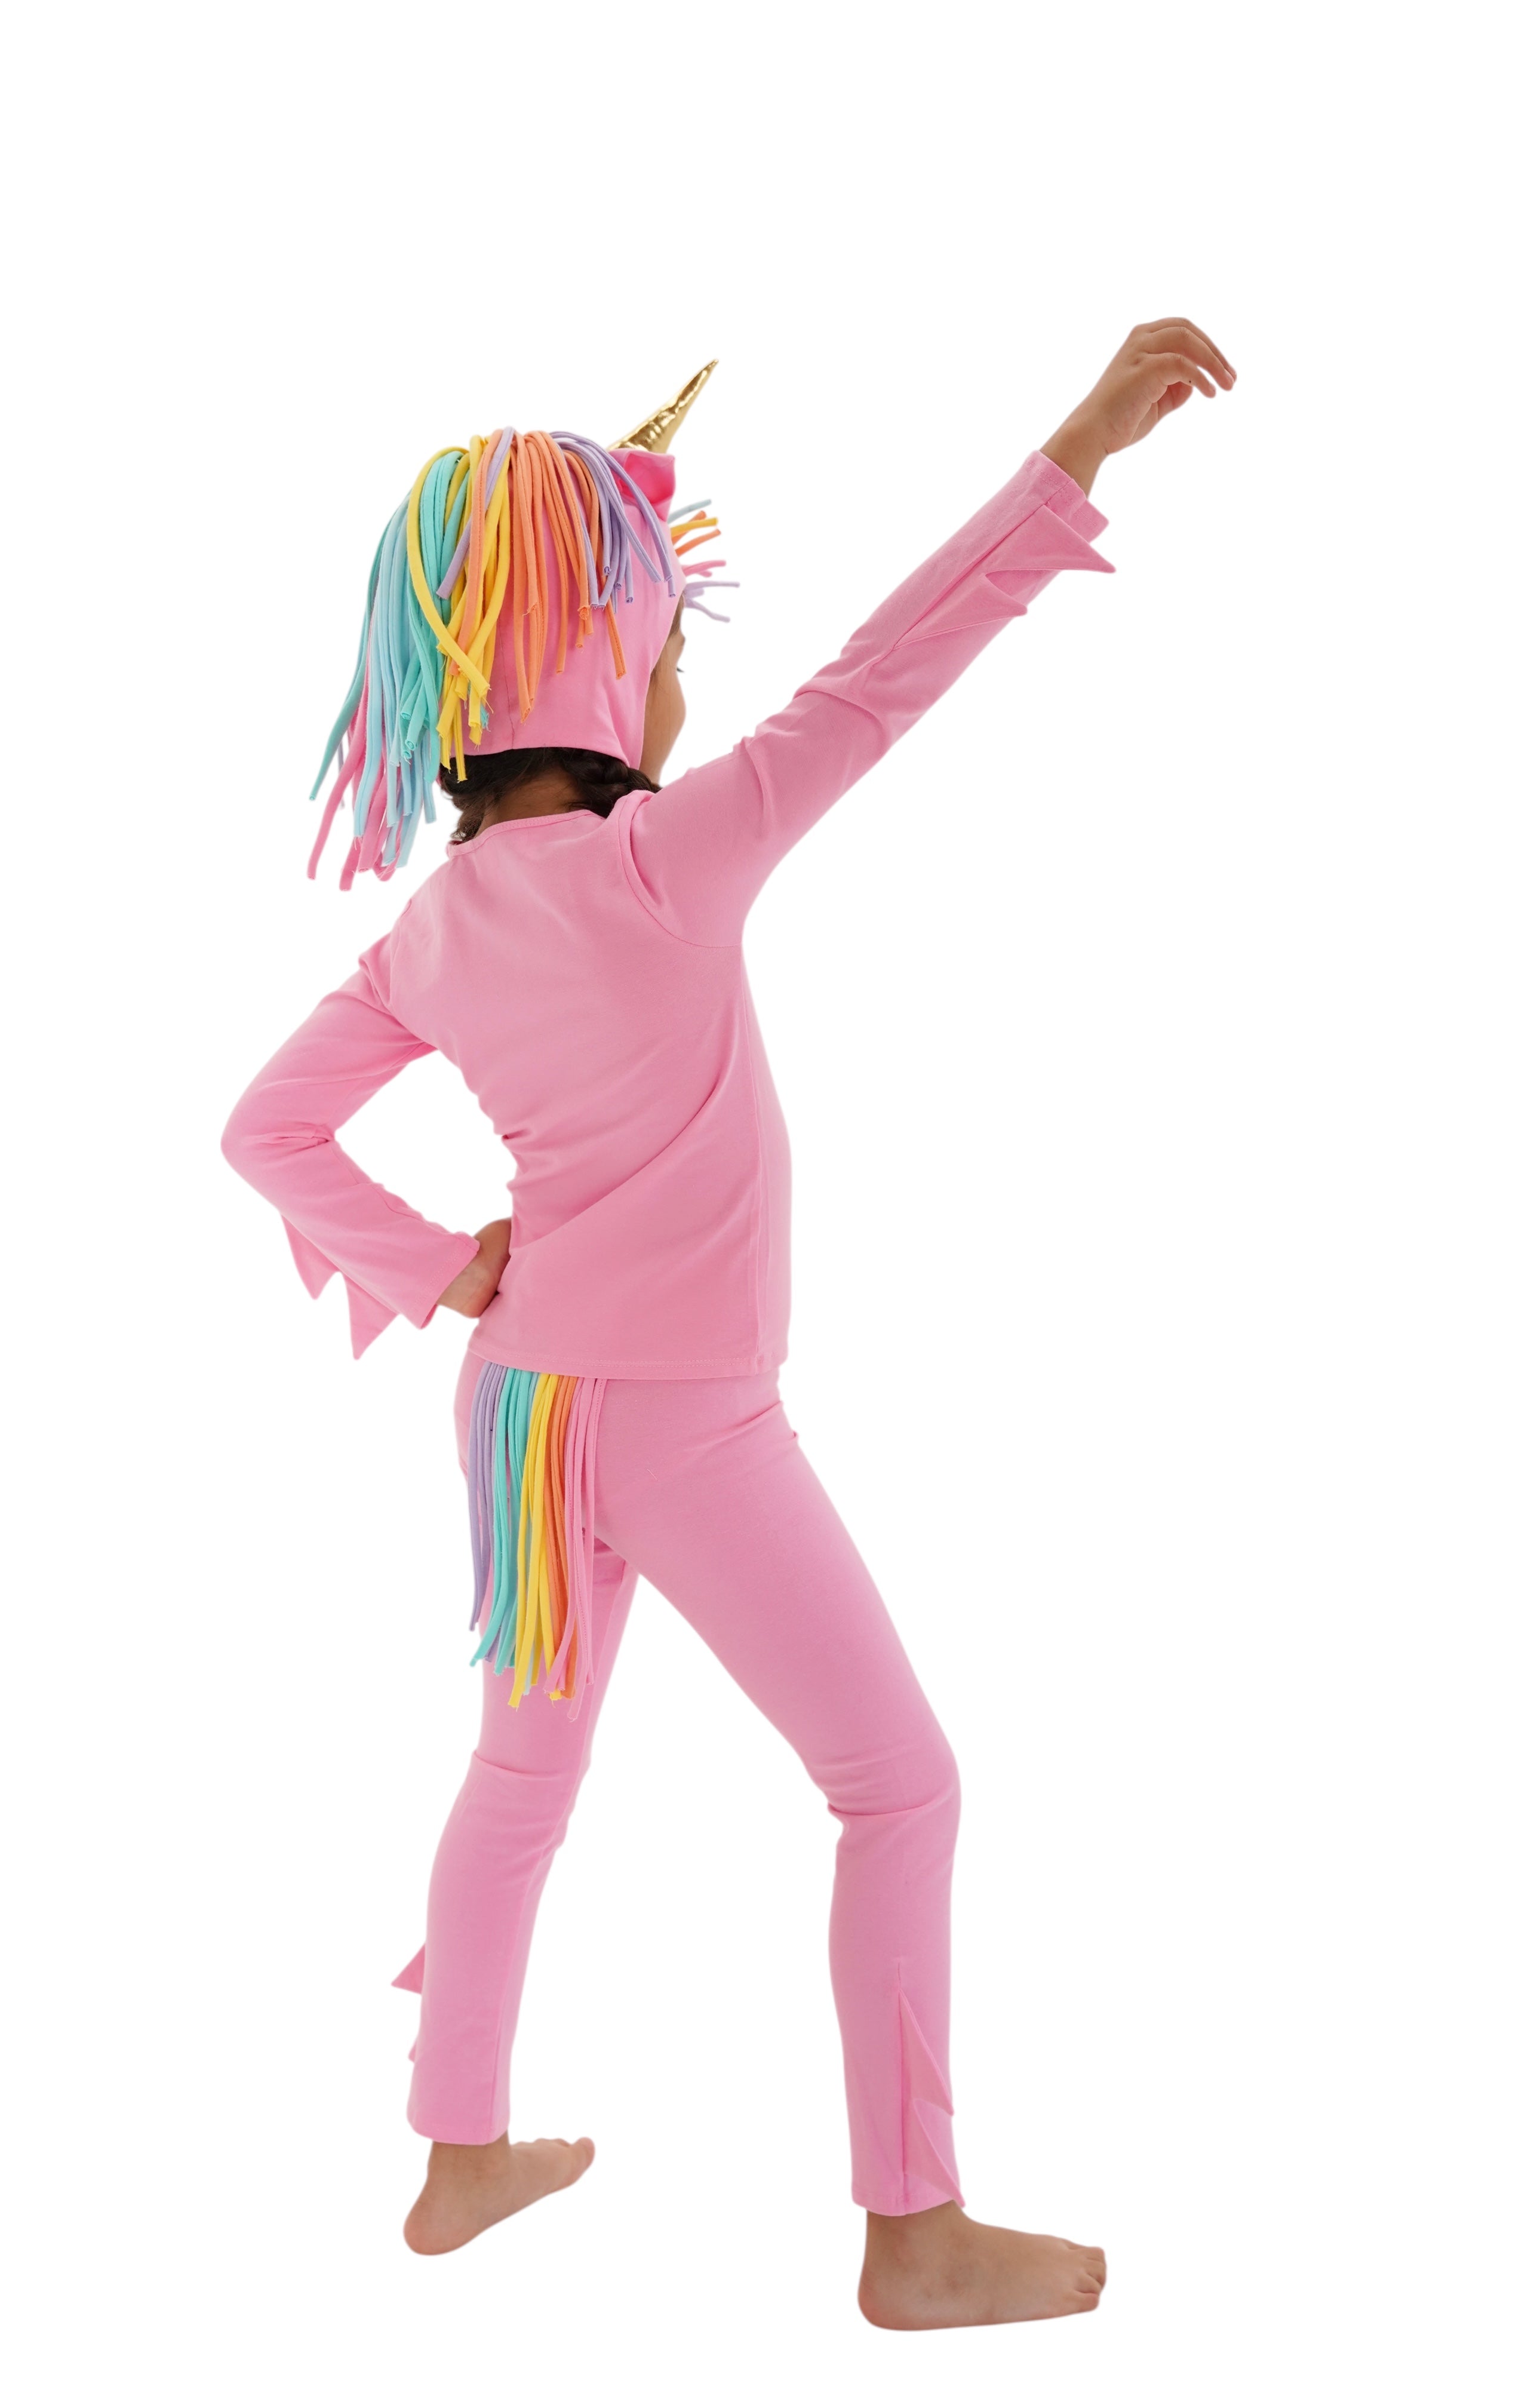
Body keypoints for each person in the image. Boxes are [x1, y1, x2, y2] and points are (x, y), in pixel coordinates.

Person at [222, 324, 1235, 2329]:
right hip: (686, 1423)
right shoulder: (672, 857)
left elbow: (262, 1129)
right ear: (599, 668)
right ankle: (916, 2230)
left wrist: (441, 1268)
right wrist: (1077, 448)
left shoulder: (432, 928)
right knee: (899, 1784)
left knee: (522, 1781)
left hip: (520, 1416)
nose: (687, 681)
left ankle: (460, 2156)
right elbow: (884, 676)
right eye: (665, 642)